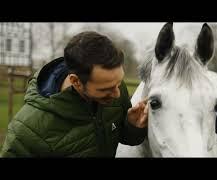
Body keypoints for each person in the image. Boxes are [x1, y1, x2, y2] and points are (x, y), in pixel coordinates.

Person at [1, 31, 148, 157]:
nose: (117, 94)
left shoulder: (112, 87)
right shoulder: (27, 130)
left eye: (118, 83)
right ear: (76, 81)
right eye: (105, 89)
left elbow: (122, 136)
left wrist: (133, 126)